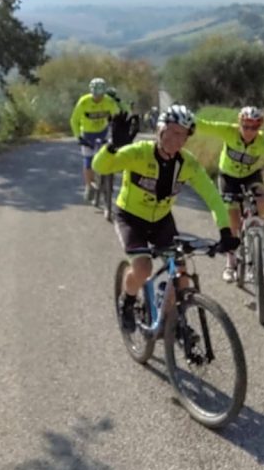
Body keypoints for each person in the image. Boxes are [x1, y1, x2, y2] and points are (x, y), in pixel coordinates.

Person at [92, 105, 239, 332]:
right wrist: (112, 147)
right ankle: (127, 301)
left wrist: (225, 231)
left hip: (161, 221)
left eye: (183, 134)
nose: (176, 138)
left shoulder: (187, 163)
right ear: (160, 129)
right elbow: (100, 167)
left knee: (181, 275)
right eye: (172, 131)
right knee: (143, 268)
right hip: (130, 218)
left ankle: (172, 320)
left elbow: (212, 197)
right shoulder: (138, 152)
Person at [195, 106, 264, 282]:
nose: (250, 131)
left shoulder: (263, 143)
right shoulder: (229, 131)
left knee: (261, 198)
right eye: (246, 126)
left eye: (254, 128)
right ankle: (230, 261)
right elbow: (205, 126)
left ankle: (257, 230)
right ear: (240, 124)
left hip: (251, 177)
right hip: (228, 177)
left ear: (260, 128)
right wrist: (186, 120)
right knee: (232, 220)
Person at [70, 77, 121, 202]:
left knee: (110, 155)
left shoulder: (109, 101)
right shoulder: (84, 102)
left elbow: (118, 116)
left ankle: (109, 181)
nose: (98, 98)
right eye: (95, 95)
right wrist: (79, 137)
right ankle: (89, 186)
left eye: (100, 95)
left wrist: (117, 133)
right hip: (87, 134)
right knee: (88, 161)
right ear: (91, 92)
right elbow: (74, 120)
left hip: (102, 132)